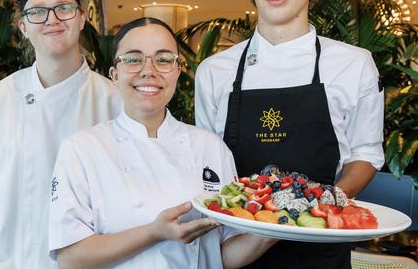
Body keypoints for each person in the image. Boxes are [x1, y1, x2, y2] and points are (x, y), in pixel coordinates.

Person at [195, 0, 385, 268]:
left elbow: (366, 154)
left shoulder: (353, 65)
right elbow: (207, 165)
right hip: (237, 247)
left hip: (321, 248)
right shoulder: (214, 71)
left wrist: (323, 203)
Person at [48, 17, 276, 269]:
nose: (149, 70)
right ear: (115, 74)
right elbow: (70, 260)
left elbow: (222, 255)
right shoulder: (82, 149)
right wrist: (153, 233)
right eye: (133, 59)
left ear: (178, 70)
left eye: (164, 59)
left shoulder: (211, 148)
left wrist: (274, 228)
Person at [0, 0, 123, 268]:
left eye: (64, 8)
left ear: (82, 18)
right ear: (23, 27)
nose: (52, 19)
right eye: (38, 12)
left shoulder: (114, 101)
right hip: (17, 258)